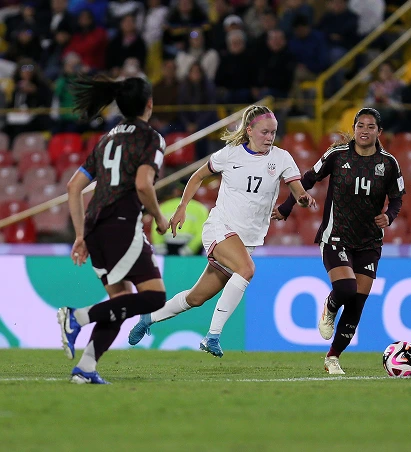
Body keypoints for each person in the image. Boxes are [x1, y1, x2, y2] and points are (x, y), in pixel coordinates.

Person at [128, 105, 316, 357]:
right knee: (246, 269)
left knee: (196, 298)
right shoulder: (230, 154)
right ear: (249, 130)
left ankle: (148, 318)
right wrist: (182, 207)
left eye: (273, 132)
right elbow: (197, 176)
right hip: (220, 227)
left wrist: (302, 198)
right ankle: (213, 336)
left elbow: (297, 188)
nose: (270, 137)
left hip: (247, 239)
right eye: (264, 132)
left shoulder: (281, 158)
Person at [273, 107, 406, 375]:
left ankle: (333, 357)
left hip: (370, 241)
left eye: (370, 126)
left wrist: (389, 216)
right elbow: (308, 179)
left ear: (379, 132)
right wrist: (287, 207)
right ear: (354, 129)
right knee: (346, 289)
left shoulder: (389, 164)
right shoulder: (337, 155)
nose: (364, 131)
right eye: (360, 125)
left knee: (357, 303)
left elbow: (397, 198)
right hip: (336, 235)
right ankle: (330, 306)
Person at [57, 75, 170, 384]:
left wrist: (80, 236)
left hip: (95, 228)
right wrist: (159, 217)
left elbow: (73, 187)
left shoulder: (107, 139)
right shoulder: (151, 138)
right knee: (154, 298)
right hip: (121, 224)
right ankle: (77, 316)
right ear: (149, 104)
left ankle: (86, 368)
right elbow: (143, 184)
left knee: (119, 301)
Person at [151, 183, 209, 256]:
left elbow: (156, 229)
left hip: (167, 248)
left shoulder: (164, 206)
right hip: (191, 253)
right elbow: (201, 233)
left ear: (175, 191)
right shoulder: (200, 208)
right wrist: (187, 250)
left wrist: (161, 250)